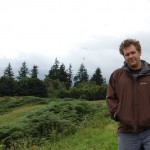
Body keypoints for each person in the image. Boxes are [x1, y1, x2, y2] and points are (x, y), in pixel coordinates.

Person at [106, 39, 150, 150]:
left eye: (133, 52)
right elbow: (111, 98)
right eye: (127, 54)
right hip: (126, 133)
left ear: (139, 52)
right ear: (124, 57)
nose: (130, 56)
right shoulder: (116, 75)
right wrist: (117, 114)